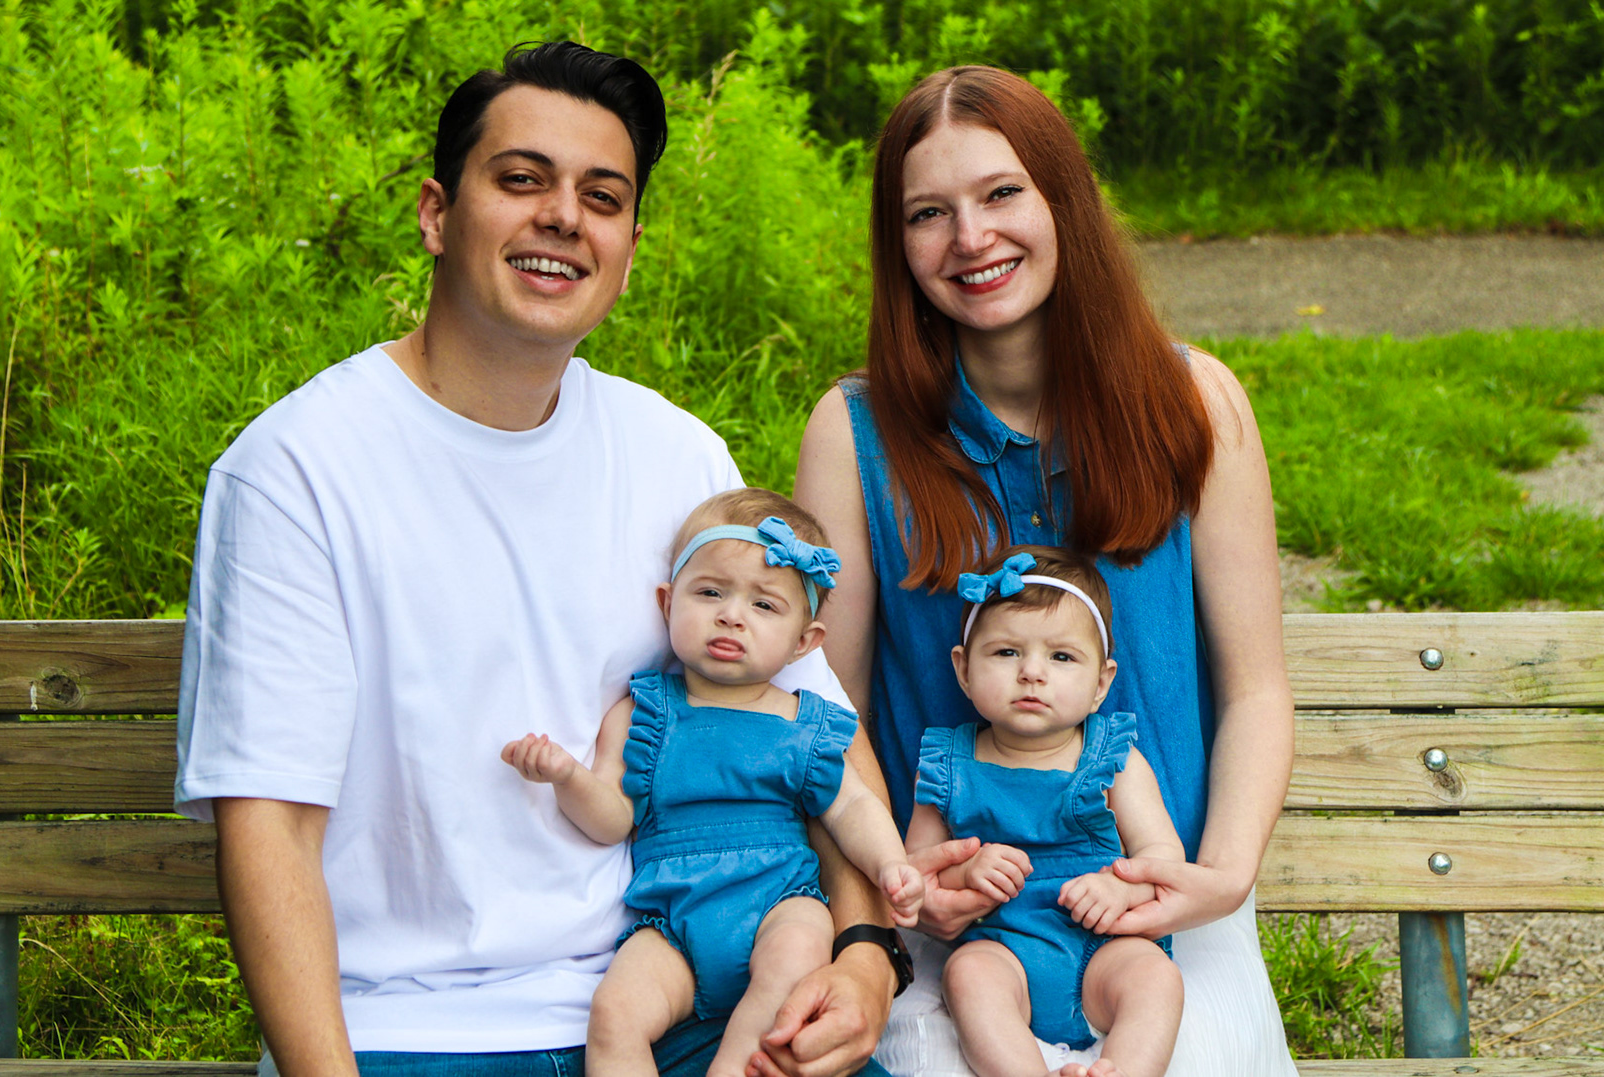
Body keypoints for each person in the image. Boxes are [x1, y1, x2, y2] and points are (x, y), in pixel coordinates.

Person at [175, 41, 906, 1077]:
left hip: (681, 1003)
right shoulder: (297, 470)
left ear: (628, 248)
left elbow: (806, 722)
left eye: (601, 197)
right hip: (413, 1031)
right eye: (522, 180)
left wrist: (868, 956)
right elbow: (270, 831)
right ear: (437, 213)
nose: (563, 217)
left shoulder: (677, 457)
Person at [791, 65, 1299, 1077]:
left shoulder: (1195, 403)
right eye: (929, 213)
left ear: (1064, 199)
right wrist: (894, 896)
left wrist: (1221, 876)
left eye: (1001, 194)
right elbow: (827, 716)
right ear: (898, 244)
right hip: (952, 921)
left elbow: (1256, 689)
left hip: (1157, 908)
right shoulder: (854, 433)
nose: (971, 238)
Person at [504, 488, 926, 1077]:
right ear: (667, 602)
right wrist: (566, 777)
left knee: (798, 955)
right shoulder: (644, 713)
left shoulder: (804, 724)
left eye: (764, 605)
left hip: (779, 903)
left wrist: (891, 865)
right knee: (615, 1014)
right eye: (709, 593)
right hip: (672, 923)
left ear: (803, 642)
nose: (732, 615)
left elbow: (851, 806)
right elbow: (612, 820)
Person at [905, 548, 1184, 1077]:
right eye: (1006, 652)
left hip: (1104, 945)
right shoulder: (946, 765)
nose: (1032, 672)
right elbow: (917, 869)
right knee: (967, 975)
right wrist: (965, 871)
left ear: (1101, 683)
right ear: (963, 669)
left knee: (1155, 979)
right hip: (1002, 946)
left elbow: (1164, 855)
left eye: (1062, 657)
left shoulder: (1114, 758)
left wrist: (1122, 889)